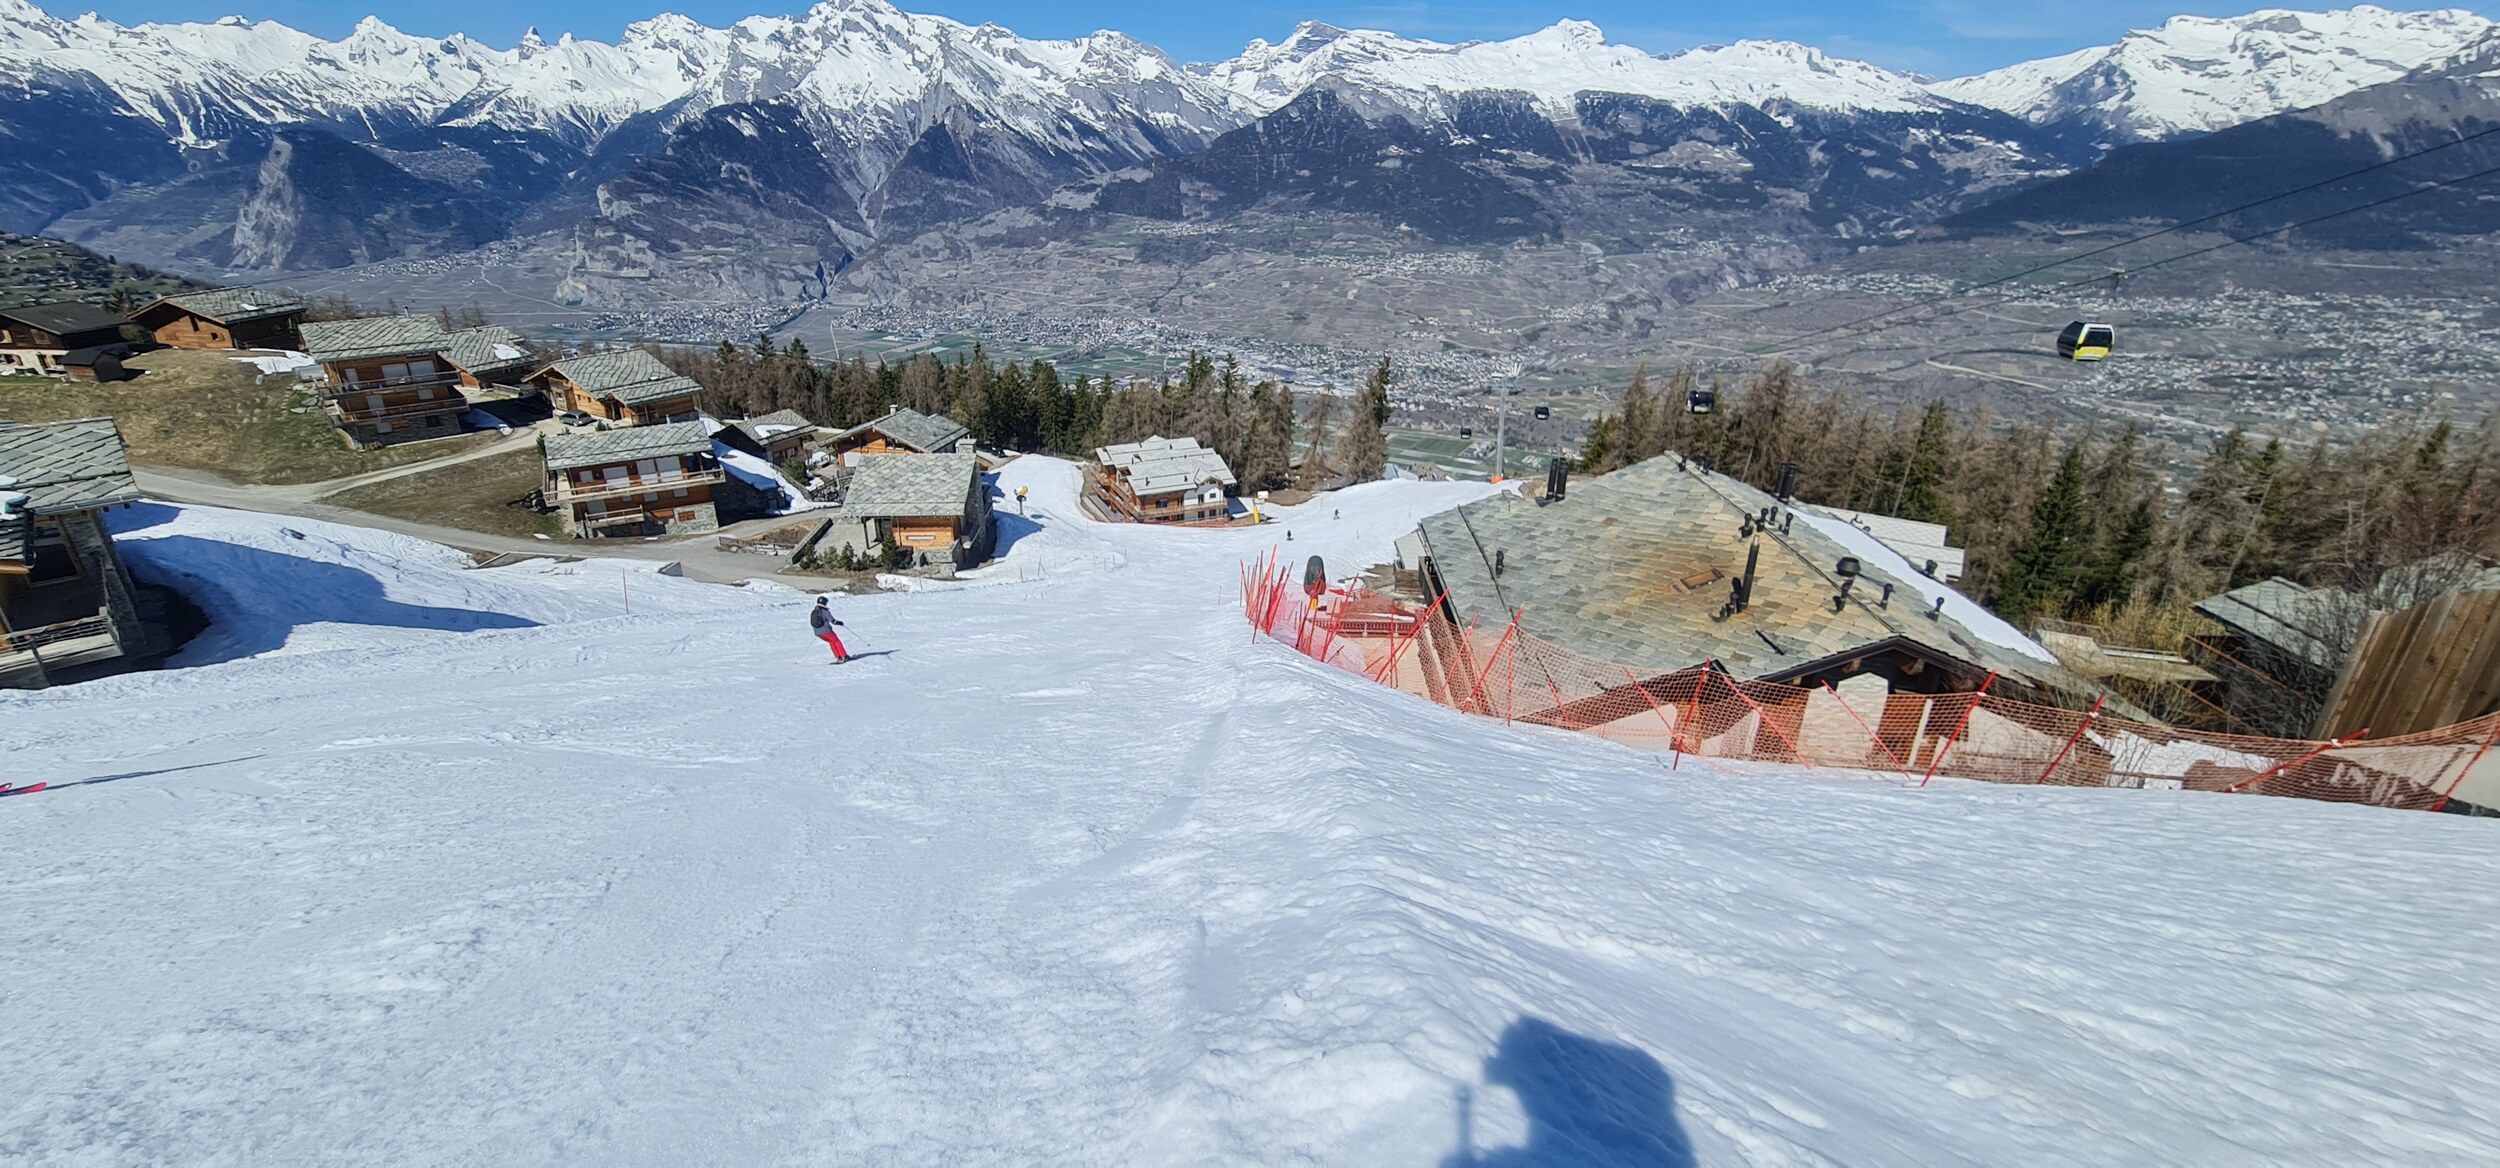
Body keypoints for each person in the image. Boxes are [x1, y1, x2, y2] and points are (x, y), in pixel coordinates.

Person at [810, 595, 849, 663]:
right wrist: (840, 623)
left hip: (817, 632)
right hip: (826, 631)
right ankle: (844, 656)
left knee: (832, 642)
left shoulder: (814, 611)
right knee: (836, 641)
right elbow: (833, 621)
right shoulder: (824, 610)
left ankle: (838, 657)